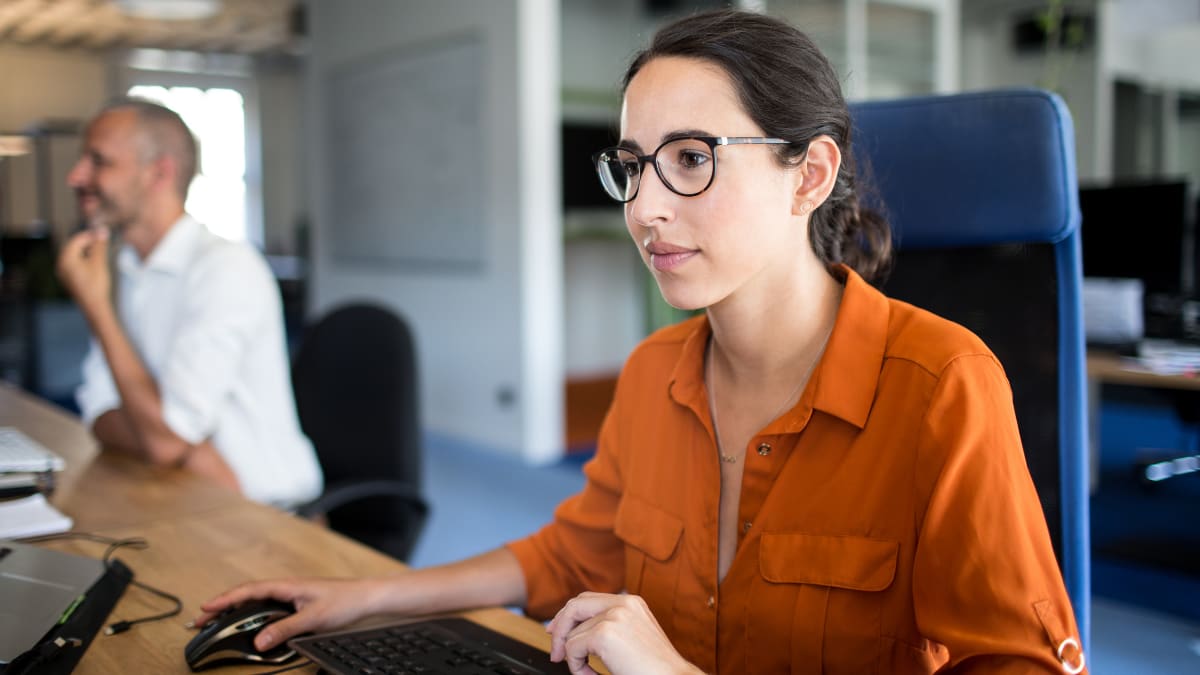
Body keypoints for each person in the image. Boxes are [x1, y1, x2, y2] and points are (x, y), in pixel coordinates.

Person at [197, 9, 1085, 673]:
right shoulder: (655, 371)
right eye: (630, 166)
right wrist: (366, 595)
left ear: (807, 175)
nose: (645, 208)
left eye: (691, 158)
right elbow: (571, 553)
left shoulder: (942, 386)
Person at [57, 98, 322, 507]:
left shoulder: (225, 269)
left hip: (269, 515)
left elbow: (165, 443)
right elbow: (98, 410)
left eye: (99, 161)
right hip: (190, 494)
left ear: (159, 173)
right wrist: (184, 448)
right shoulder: (128, 267)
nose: (76, 176)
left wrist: (97, 309)